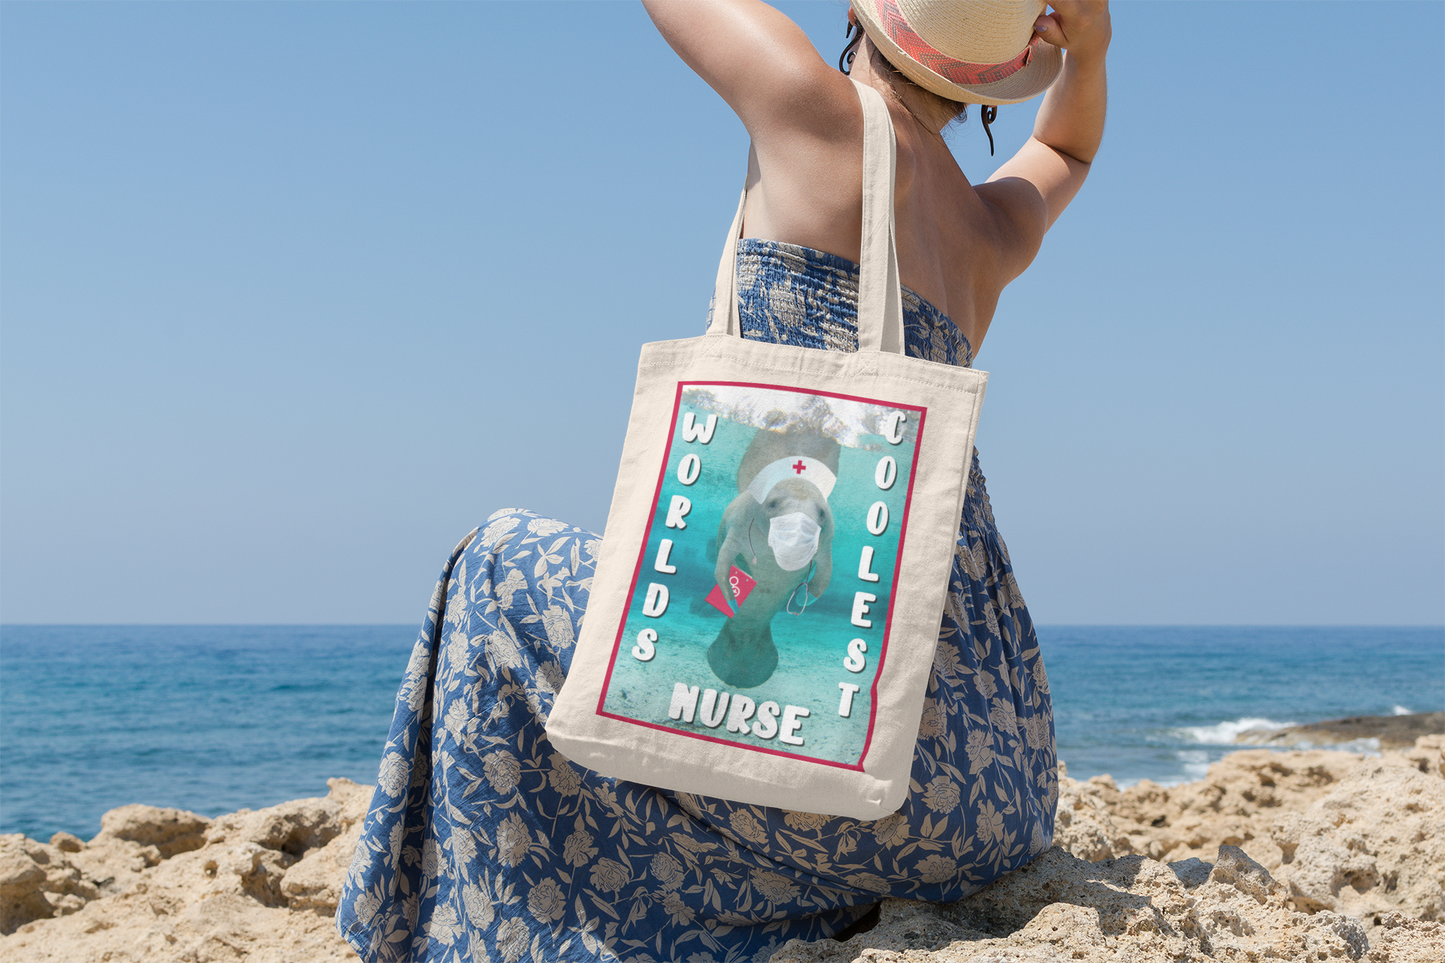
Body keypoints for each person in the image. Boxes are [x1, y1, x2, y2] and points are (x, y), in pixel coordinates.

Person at [336, 1, 1110, 960]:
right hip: (986, 785)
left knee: (494, 566)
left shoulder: (814, 109)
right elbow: (1067, 154)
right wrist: (1090, 48)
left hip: (846, 762)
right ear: (988, 79)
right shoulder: (989, 231)